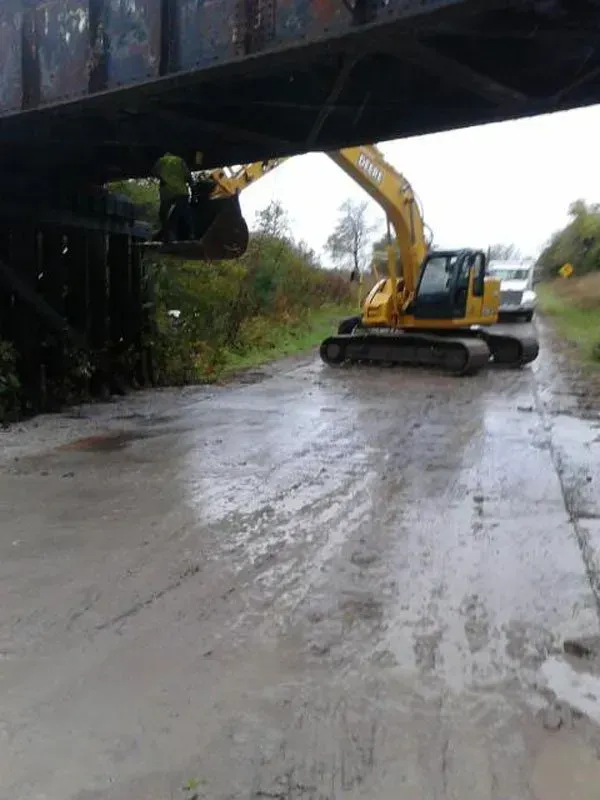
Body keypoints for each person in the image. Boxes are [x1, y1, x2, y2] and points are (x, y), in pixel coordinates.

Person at [151, 151, 195, 243]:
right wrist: (193, 188)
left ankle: (167, 235)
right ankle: (191, 234)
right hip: (181, 191)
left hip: (167, 191)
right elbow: (188, 176)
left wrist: (162, 179)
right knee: (184, 213)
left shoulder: (161, 161)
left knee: (163, 214)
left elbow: (154, 172)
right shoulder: (180, 160)